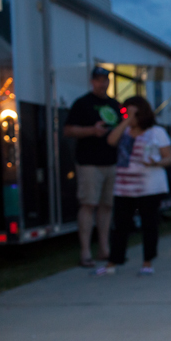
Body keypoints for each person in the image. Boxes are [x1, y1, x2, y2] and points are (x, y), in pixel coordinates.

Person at [91, 96, 171, 276]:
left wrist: (156, 162)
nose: (128, 116)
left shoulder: (156, 132)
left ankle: (147, 261)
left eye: (132, 113)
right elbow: (111, 141)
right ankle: (113, 262)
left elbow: (169, 157)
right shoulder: (124, 132)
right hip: (124, 186)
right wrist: (126, 121)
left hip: (149, 186)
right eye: (125, 112)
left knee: (149, 224)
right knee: (120, 226)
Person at [63, 66, 121, 268]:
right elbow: (68, 130)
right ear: (91, 81)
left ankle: (104, 248)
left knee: (107, 205)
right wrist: (91, 131)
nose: (101, 83)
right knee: (88, 204)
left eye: (105, 80)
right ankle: (85, 251)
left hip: (111, 162)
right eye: (97, 80)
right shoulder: (82, 103)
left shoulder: (115, 105)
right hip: (89, 162)